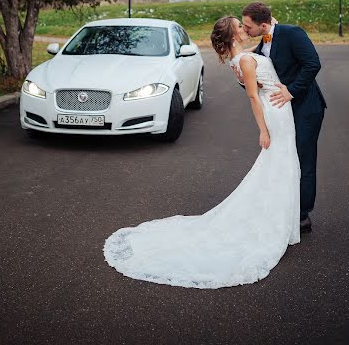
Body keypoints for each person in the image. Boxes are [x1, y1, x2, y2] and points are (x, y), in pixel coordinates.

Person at [104, 16, 300, 289]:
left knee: (283, 166)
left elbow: (260, 61)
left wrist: (271, 26)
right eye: (240, 27)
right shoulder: (243, 61)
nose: (245, 29)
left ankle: (283, 221)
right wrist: (263, 130)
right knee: (278, 166)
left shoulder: (243, 58)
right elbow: (254, 96)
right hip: (274, 114)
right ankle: (274, 223)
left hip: (279, 109)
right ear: (233, 36)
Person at [241, 2, 326, 233]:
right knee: (286, 157)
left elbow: (313, 64)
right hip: (282, 112)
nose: (245, 29)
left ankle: (302, 215)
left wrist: (291, 90)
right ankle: (286, 207)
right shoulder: (262, 44)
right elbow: (263, 76)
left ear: (264, 24)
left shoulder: (292, 33)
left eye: (248, 26)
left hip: (307, 108)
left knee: (304, 159)